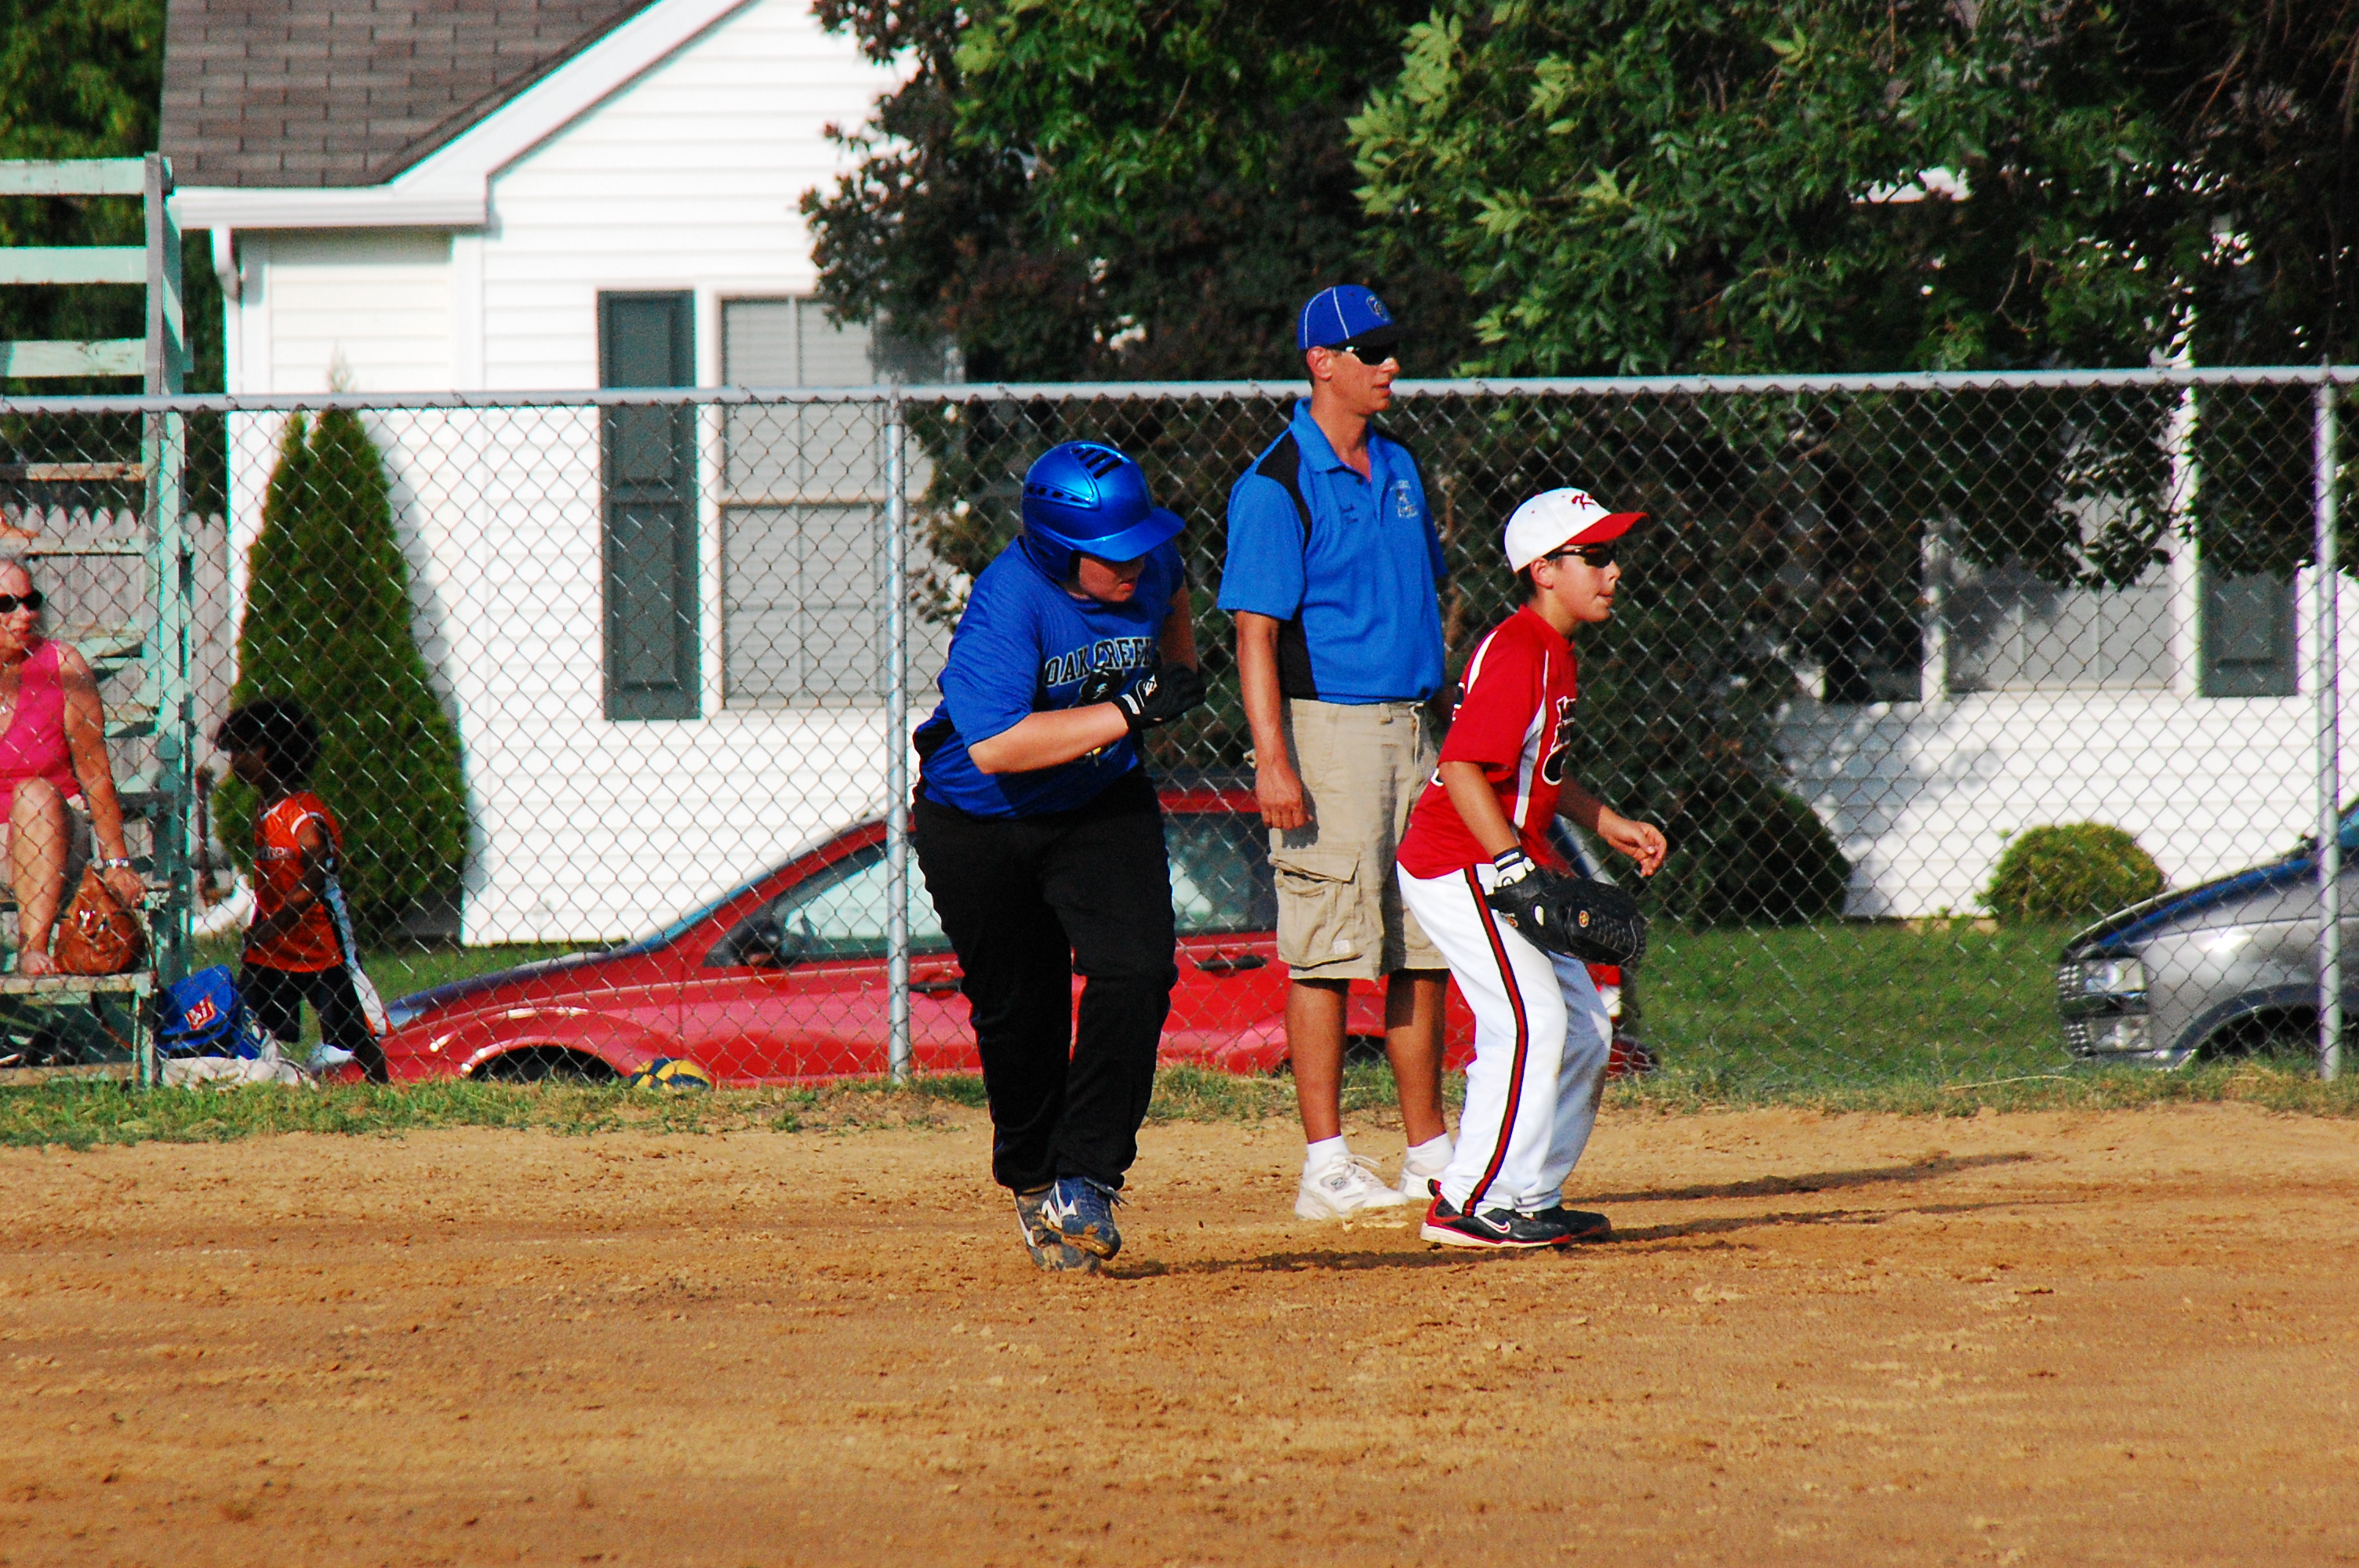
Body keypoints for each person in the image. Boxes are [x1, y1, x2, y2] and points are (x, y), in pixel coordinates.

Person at [911, 441, 1205, 1273]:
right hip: (981, 820)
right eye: (1113, 552)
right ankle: (1035, 1179)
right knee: (1022, 1013)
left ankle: (1087, 1178)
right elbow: (999, 747)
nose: (1135, 563)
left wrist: (1178, 667)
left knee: (1136, 969)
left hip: (1097, 800)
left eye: (1139, 542)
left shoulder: (1150, 566)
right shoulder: (1011, 600)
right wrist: (1132, 710)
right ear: (1054, 548)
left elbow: (1176, 588)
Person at [1219, 284, 1453, 1220]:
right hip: (1331, 733)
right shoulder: (1274, 482)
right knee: (1324, 950)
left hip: (1415, 727)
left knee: (1422, 945)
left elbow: (1432, 594)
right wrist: (1273, 760)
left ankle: (1428, 1152)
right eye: (1370, 350)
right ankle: (1325, 1165)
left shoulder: (1399, 464)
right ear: (1321, 362)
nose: (1390, 364)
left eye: (1391, 347)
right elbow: (1253, 634)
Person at [1394, 488, 1669, 1247]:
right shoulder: (1518, 649)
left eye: (1613, 554)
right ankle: (1467, 1201)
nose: (1614, 571)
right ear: (1543, 569)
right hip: (1460, 860)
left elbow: (1532, 769)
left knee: (1585, 1028)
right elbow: (1460, 767)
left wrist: (1605, 821)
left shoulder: (1553, 649)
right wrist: (1513, 865)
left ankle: (1527, 1193)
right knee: (1529, 1020)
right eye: (1596, 555)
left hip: (1500, 860)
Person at [215, 699, 385, 1081]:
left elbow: (311, 884)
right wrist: (264, 928)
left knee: (354, 1032)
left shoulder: (303, 816)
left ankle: (382, 1087)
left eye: (243, 749)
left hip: (320, 946)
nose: (235, 760)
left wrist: (271, 926)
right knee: (249, 1022)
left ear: (271, 752)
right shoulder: (265, 810)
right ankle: (252, 1081)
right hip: (275, 947)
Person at [0, 559, 147, 974]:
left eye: (31, 601)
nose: (25, 614)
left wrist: (117, 863)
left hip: (54, 835)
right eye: (7, 604)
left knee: (34, 794)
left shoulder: (61, 666)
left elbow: (95, 772)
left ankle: (32, 946)